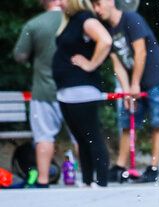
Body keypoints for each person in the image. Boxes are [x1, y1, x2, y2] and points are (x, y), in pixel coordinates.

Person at [89, 0, 159, 183]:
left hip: (157, 78)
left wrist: (135, 83)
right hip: (136, 83)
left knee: (158, 122)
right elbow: (118, 64)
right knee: (128, 120)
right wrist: (127, 90)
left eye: (98, 4)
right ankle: (120, 166)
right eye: (93, 6)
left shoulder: (131, 19)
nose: (97, 10)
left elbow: (140, 52)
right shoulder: (108, 30)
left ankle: (153, 167)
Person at [52, 0, 111, 187]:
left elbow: (106, 40)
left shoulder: (85, 19)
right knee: (81, 139)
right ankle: (87, 181)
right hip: (66, 91)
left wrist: (91, 64)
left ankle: (101, 182)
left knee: (92, 136)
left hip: (82, 90)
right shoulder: (70, 20)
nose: (59, 3)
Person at [13, 0, 71, 188]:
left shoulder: (34, 24)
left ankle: (43, 180)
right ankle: (89, 179)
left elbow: (19, 55)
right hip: (73, 89)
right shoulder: (75, 20)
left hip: (43, 90)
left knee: (44, 136)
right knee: (81, 136)